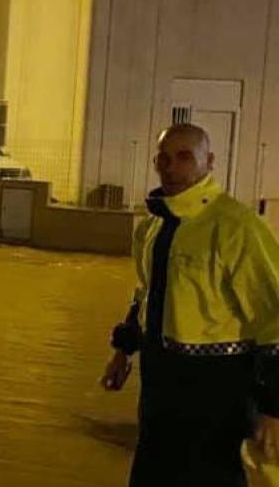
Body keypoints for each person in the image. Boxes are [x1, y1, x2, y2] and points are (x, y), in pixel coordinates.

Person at [102, 123, 279, 486]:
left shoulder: (236, 226)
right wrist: (124, 351)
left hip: (218, 385)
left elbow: (274, 314)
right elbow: (146, 291)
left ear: (208, 162)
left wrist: (273, 407)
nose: (171, 167)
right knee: (153, 471)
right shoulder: (151, 226)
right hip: (160, 380)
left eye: (184, 157)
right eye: (163, 158)